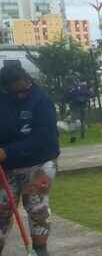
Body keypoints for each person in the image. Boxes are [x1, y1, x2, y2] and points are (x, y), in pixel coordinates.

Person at [0, 65, 59, 256]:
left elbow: (44, 139)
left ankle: (40, 251)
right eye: (13, 92)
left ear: (28, 81)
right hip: (6, 168)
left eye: (24, 90)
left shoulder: (41, 101)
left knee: (37, 209)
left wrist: (7, 152)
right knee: (2, 211)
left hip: (38, 164)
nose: (20, 96)